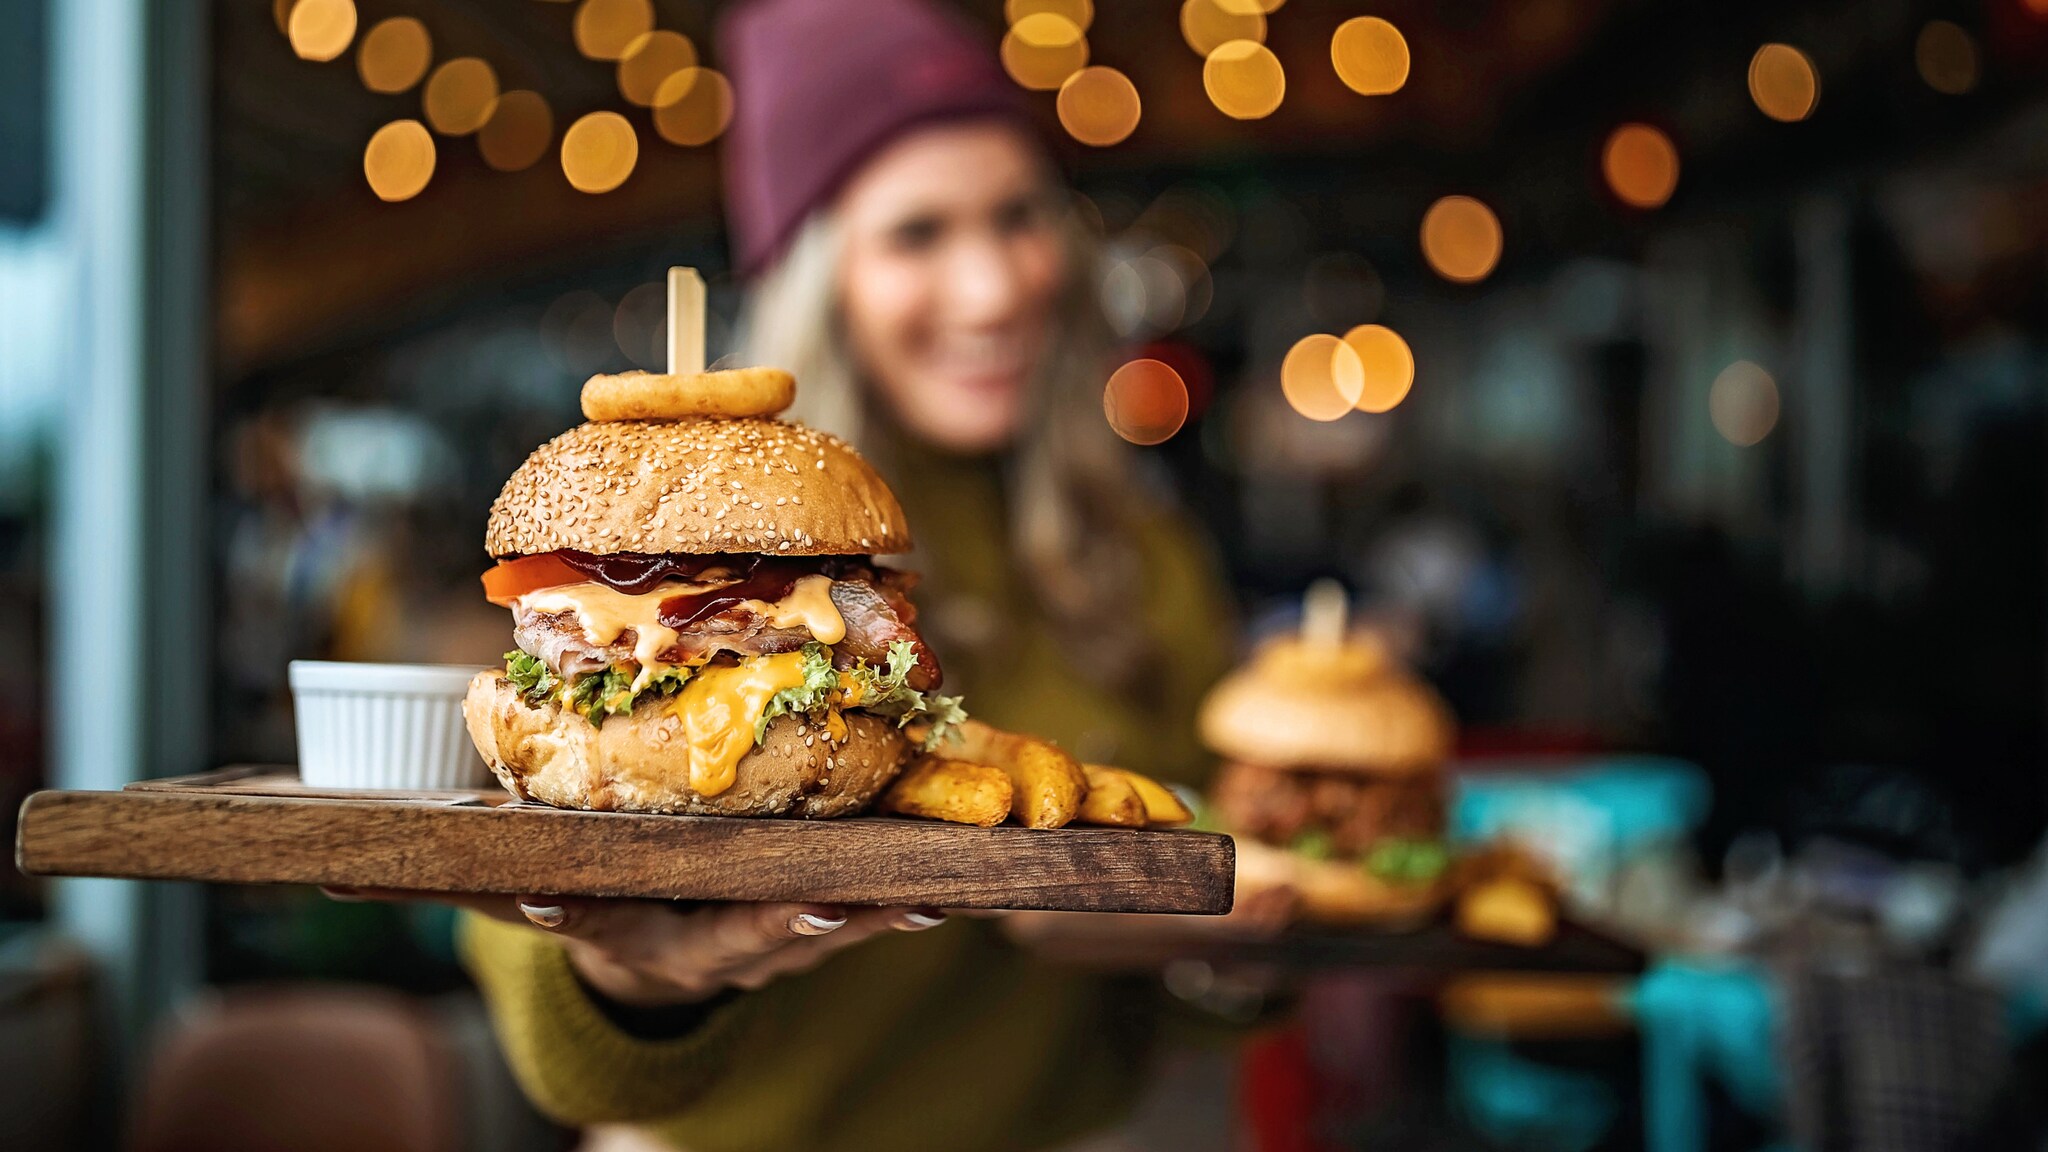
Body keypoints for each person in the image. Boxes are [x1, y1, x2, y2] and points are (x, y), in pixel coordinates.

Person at [453, 2, 1276, 1148]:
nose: (991, 288)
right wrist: (647, 984)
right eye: (917, 234)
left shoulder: (1145, 560)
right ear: (820, 271)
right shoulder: (672, 516)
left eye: (1016, 215)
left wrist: (1223, 957)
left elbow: (1197, 963)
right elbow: (555, 1028)